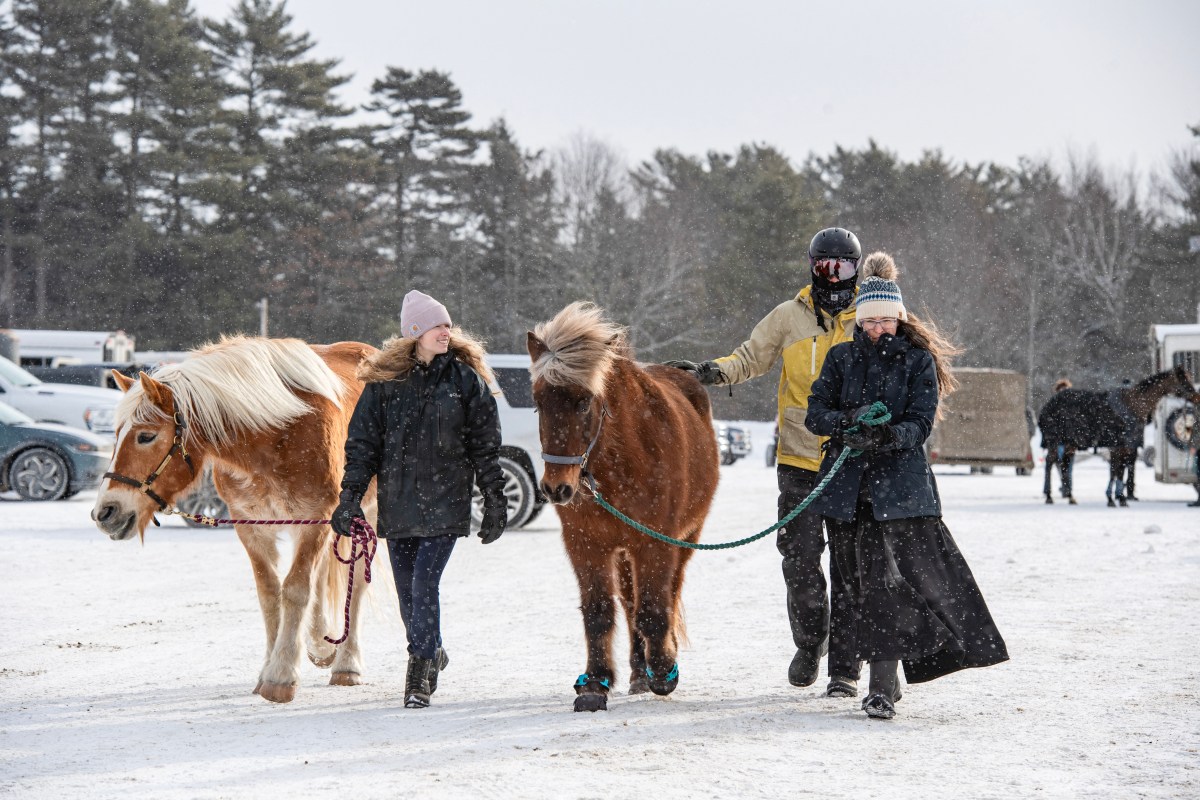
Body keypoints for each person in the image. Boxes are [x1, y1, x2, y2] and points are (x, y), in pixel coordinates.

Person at [667, 227, 874, 697]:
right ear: (811, 266)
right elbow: (750, 357)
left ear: (856, 270)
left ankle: (846, 666)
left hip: (853, 459)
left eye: (842, 267)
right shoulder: (789, 316)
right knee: (799, 559)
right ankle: (810, 638)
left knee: (850, 563)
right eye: (824, 266)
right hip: (798, 457)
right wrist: (707, 373)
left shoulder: (868, 316)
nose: (833, 276)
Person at [805, 267, 1009, 720]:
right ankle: (849, 670)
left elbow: (919, 424)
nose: (878, 330)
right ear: (858, 321)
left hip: (899, 494)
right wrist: (848, 421)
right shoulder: (840, 359)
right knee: (850, 581)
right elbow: (815, 413)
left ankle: (879, 686)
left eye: (886, 321)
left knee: (886, 585)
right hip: (846, 492)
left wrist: (883, 437)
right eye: (870, 321)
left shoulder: (918, 363)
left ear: (899, 319)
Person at [332, 290, 508, 709]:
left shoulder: (466, 381)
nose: (446, 331)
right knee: (410, 593)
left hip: (447, 501)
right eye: (437, 325)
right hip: (400, 501)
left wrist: (495, 499)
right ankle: (433, 649)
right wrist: (349, 498)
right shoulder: (384, 384)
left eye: (448, 325)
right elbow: (362, 447)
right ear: (415, 332)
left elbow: (486, 446)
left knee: (425, 582)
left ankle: (419, 672)